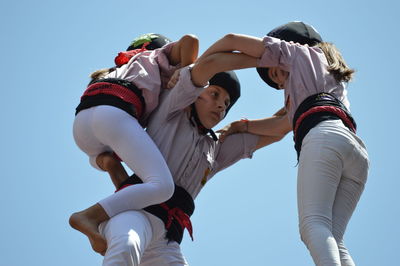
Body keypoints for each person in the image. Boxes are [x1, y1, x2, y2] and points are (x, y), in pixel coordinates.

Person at [91, 47, 291, 264]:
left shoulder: (216, 148)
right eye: (214, 94)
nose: (220, 106)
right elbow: (198, 73)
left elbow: (280, 129)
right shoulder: (172, 112)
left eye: (226, 104)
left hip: (167, 239)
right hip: (133, 215)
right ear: (196, 95)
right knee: (126, 247)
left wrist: (297, 89)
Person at [204, 22, 369, 266]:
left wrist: (198, 71)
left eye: (275, 72)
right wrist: (241, 126)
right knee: (334, 237)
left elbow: (231, 40)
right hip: (355, 150)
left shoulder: (295, 53)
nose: (280, 85)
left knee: (313, 225)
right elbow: (281, 125)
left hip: (323, 137)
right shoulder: (330, 73)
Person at [70, 33, 199, 254]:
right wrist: (185, 72)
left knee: (124, 171)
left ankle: (109, 170)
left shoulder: (116, 69)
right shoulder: (157, 55)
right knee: (162, 186)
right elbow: (190, 40)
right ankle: (89, 216)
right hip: (114, 116)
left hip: (83, 128)